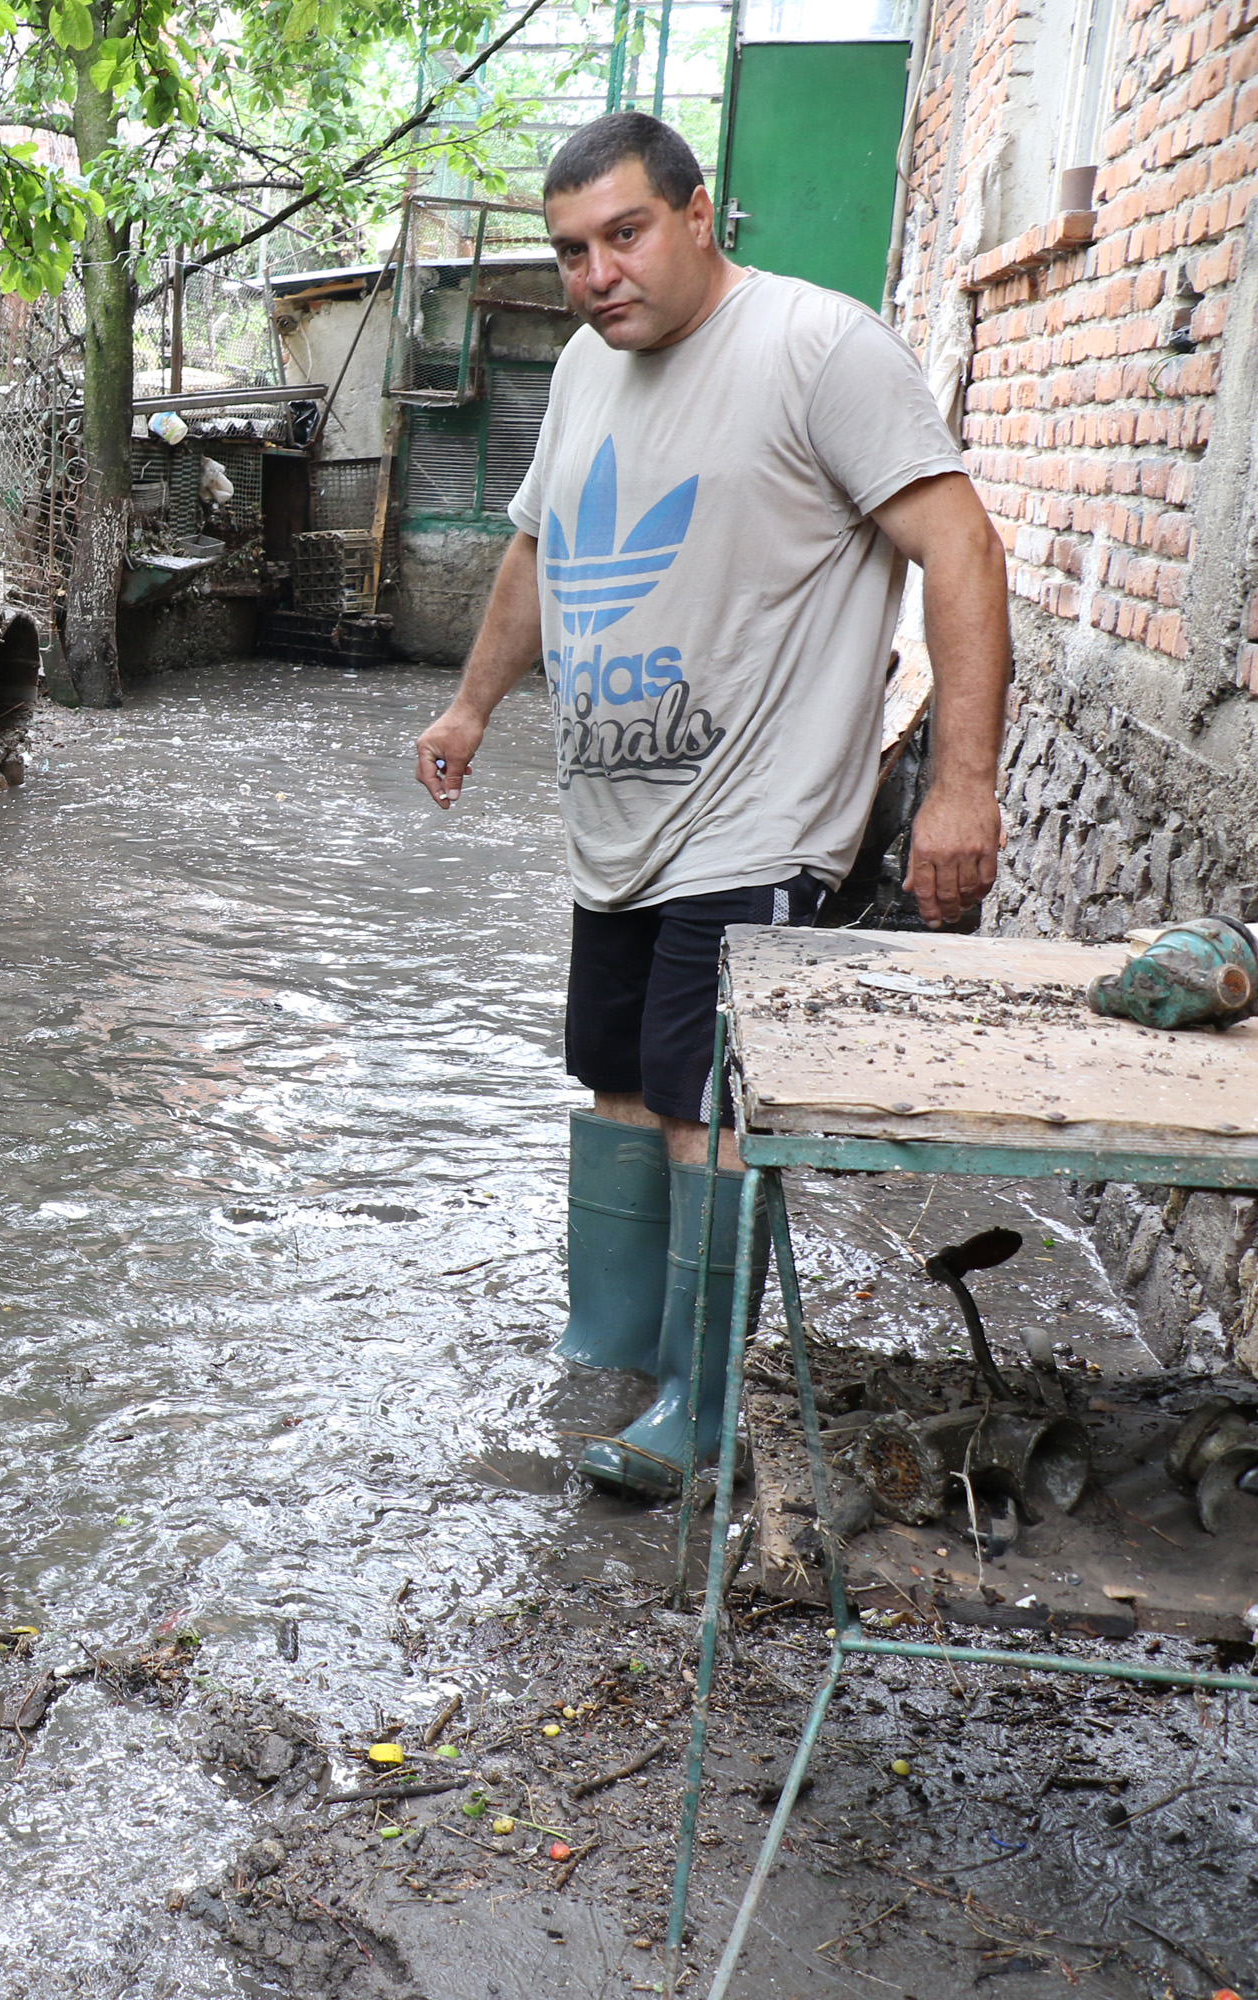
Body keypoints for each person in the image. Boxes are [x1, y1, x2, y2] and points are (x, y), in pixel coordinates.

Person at [411, 111, 1010, 1500]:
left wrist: (961, 786)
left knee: (703, 1098)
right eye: (570, 251)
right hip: (617, 821)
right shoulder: (580, 367)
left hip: (760, 816)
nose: (597, 273)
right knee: (619, 1078)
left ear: (697, 214)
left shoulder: (817, 347)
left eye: (623, 234)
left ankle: (701, 1400)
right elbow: (541, 552)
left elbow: (959, 542)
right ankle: (613, 1346)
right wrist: (471, 704)